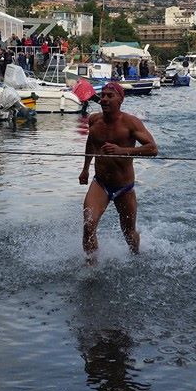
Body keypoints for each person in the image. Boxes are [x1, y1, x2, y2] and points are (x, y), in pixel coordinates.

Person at [79, 82, 157, 261]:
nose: (104, 99)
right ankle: (92, 268)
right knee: (89, 225)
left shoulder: (131, 123)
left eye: (109, 96)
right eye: (103, 95)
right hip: (100, 183)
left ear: (120, 99)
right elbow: (91, 143)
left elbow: (153, 149)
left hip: (124, 187)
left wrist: (122, 150)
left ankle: (136, 258)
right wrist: (84, 169)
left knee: (128, 233)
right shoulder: (94, 120)